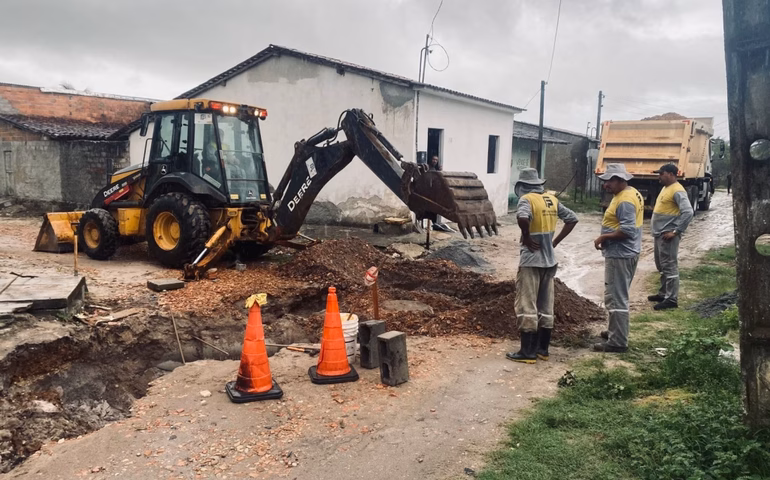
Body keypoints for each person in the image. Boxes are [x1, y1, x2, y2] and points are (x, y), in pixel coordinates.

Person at [507, 168, 578, 363]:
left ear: (522, 186)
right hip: (549, 261)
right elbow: (572, 218)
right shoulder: (551, 200)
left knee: (526, 304)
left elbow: (522, 218)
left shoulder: (526, 200)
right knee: (546, 305)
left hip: (531, 261)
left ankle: (527, 352)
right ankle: (542, 350)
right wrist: (554, 242)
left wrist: (527, 236)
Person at [593, 163, 643, 353]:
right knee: (617, 295)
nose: (605, 185)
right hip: (625, 253)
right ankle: (615, 331)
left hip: (621, 254)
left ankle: (618, 342)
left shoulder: (625, 201)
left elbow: (628, 231)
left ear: (621, 180)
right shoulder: (629, 193)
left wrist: (603, 237)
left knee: (616, 298)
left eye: (609, 181)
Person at [649, 164, 694, 310]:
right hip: (660, 234)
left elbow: (688, 212)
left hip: (667, 235)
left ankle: (671, 299)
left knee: (669, 266)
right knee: (662, 266)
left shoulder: (677, 190)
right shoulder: (666, 188)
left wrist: (676, 231)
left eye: (661, 173)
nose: (659, 176)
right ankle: (663, 293)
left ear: (671, 174)